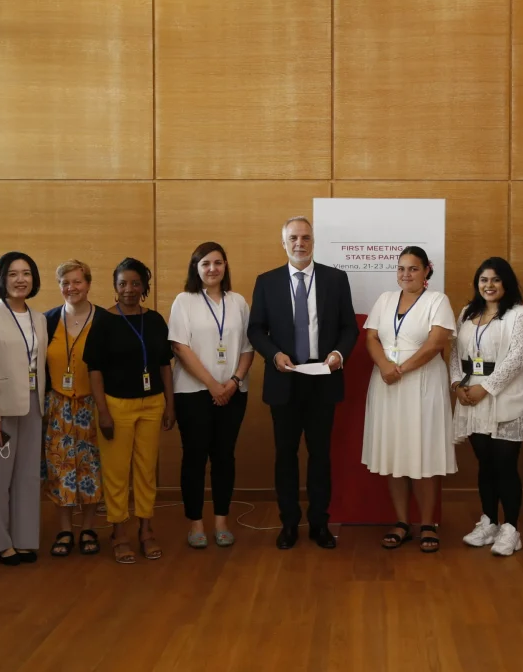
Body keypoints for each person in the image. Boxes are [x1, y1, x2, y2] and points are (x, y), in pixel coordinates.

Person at [247, 216, 358, 550]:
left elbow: (348, 327)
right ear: (284, 243)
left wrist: (339, 353)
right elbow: (255, 330)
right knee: (285, 455)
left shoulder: (335, 279)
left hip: (322, 379)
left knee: (320, 455)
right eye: (293, 237)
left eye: (305, 237)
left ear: (313, 241)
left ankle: (320, 523)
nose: (299, 243)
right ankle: (289, 523)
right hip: (284, 380)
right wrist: (274, 354)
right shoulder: (266, 282)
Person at [83, 258, 176, 564]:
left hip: (152, 404)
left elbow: (165, 365)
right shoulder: (104, 321)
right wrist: (103, 412)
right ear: (115, 287)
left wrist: (169, 405)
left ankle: (146, 530)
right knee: (116, 473)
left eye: (135, 283)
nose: (129, 289)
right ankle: (119, 532)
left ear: (144, 287)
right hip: (116, 406)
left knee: (146, 470)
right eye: (122, 283)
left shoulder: (156, 321)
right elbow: (94, 369)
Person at [363, 247, 456, 553]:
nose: (406, 274)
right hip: (387, 383)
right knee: (395, 453)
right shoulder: (385, 299)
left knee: (424, 453)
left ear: (426, 270)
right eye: (401, 268)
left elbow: (435, 344)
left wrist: (400, 369)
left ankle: (427, 523)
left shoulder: (437, 300)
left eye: (413, 269)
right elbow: (371, 337)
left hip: (422, 384)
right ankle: (402, 522)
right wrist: (385, 367)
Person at [169, 242, 254, 548]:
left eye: (218, 262)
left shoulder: (238, 302)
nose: (212, 269)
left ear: (225, 266)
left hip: (233, 393)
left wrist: (233, 381)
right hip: (193, 393)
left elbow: (248, 348)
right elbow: (180, 347)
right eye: (205, 263)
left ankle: (221, 520)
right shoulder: (184, 301)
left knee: (224, 457)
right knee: (194, 458)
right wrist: (212, 385)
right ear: (196, 268)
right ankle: (195, 524)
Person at [450, 258, 523, 556]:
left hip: (505, 398)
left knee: (505, 465)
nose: (489, 285)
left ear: (506, 283)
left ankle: (511, 528)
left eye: (495, 280)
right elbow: (454, 353)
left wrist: (484, 388)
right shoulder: (466, 313)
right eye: (484, 280)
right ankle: (489, 521)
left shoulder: (520, 315)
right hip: (471, 397)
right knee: (485, 464)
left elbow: (516, 359)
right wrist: (456, 385)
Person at [0, 252, 48, 565]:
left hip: (33, 402)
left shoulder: (40, 318)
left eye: (27, 273)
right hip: (0, 409)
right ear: (2, 279)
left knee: (28, 475)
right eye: (13, 274)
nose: (21, 279)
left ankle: (24, 539)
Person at [42, 260, 102, 557]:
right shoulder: (47, 320)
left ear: (88, 284)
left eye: (77, 281)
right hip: (57, 404)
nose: (71, 288)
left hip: (93, 403)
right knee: (60, 467)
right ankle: (65, 529)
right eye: (65, 282)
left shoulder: (104, 320)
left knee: (92, 467)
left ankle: (89, 527)